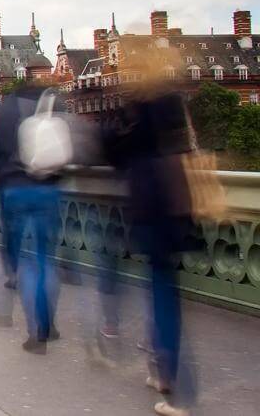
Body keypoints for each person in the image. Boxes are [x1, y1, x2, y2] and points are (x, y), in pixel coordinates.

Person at [103, 65, 199, 416]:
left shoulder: (140, 110)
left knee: (160, 289)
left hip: (151, 203)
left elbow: (113, 152)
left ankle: (176, 387)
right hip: (179, 201)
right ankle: (163, 369)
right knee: (165, 288)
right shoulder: (174, 105)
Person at [0, 81, 63, 353]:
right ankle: (48, 322)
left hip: (15, 188)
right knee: (44, 259)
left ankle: (24, 324)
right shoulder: (54, 106)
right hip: (48, 189)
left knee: (21, 260)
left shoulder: (7, 108)